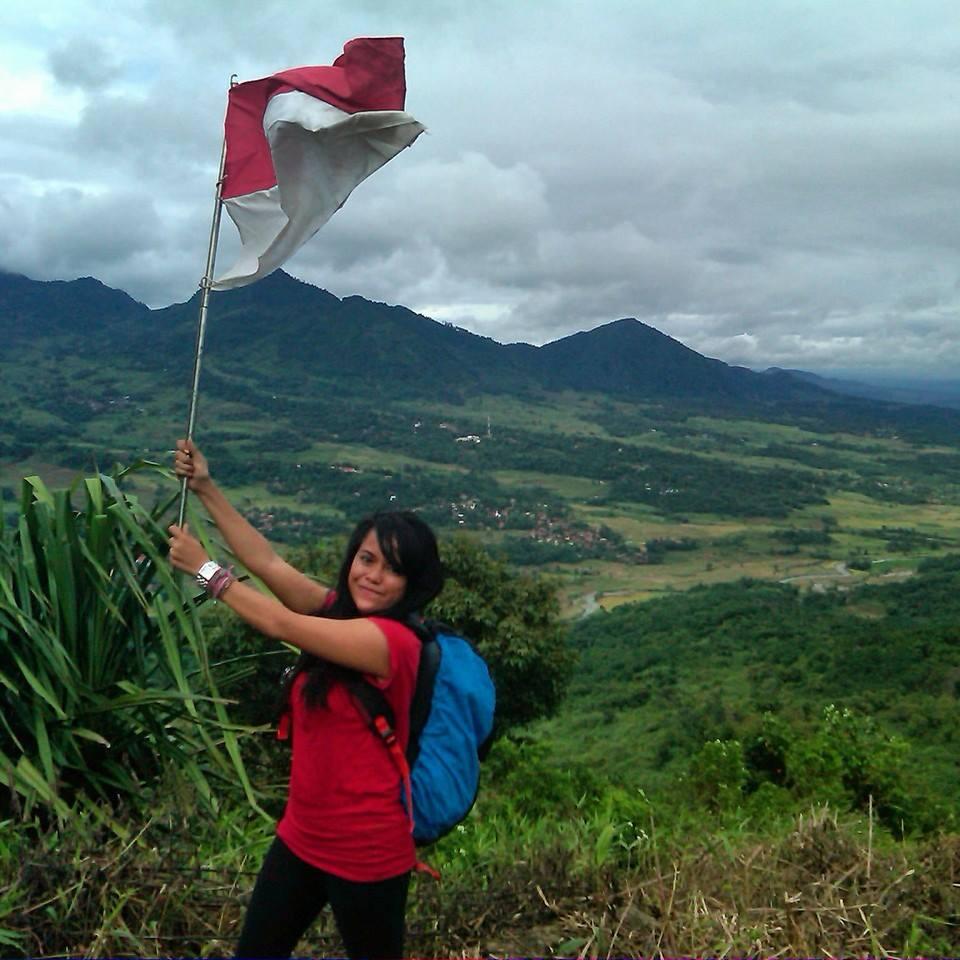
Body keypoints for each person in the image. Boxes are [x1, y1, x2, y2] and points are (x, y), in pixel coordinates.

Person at [167, 438, 444, 960]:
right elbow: (269, 563)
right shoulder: (341, 611)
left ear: (412, 584)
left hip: (366, 849)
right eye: (365, 558)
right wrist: (205, 487)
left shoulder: (390, 644)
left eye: (391, 568)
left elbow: (280, 623)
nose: (372, 575)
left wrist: (206, 572)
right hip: (301, 836)